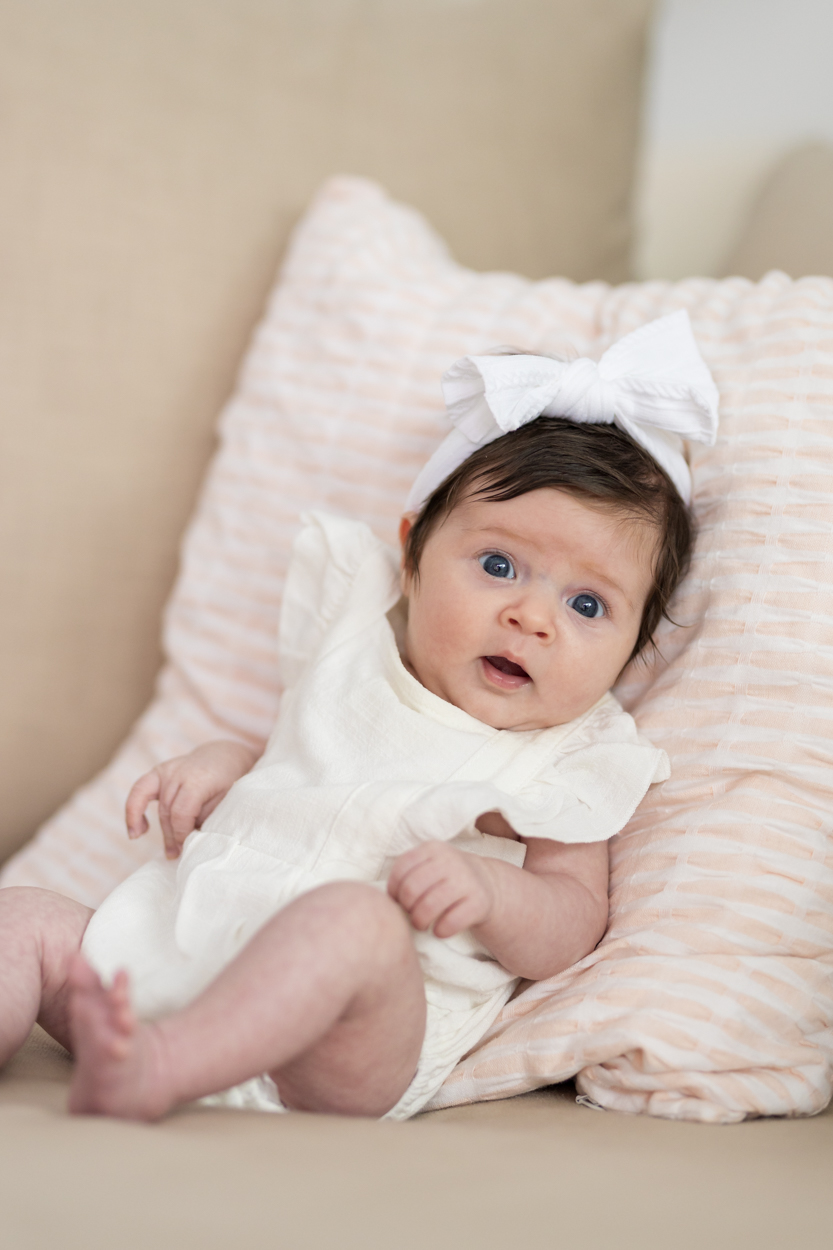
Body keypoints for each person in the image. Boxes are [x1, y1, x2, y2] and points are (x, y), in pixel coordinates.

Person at [0, 310, 719, 1122]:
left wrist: (489, 893)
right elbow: (298, 755)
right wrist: (217, 763)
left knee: (355, 923)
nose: (532, 617)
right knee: (24, 917)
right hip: (173, 961)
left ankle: (163, 1066)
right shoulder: (354, 643)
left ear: (632, 650)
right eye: (497, 564)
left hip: (335, 1047)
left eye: (587, 603)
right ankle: (151, 1044)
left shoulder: (570, 756)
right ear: (411, 557)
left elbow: (573, 919)